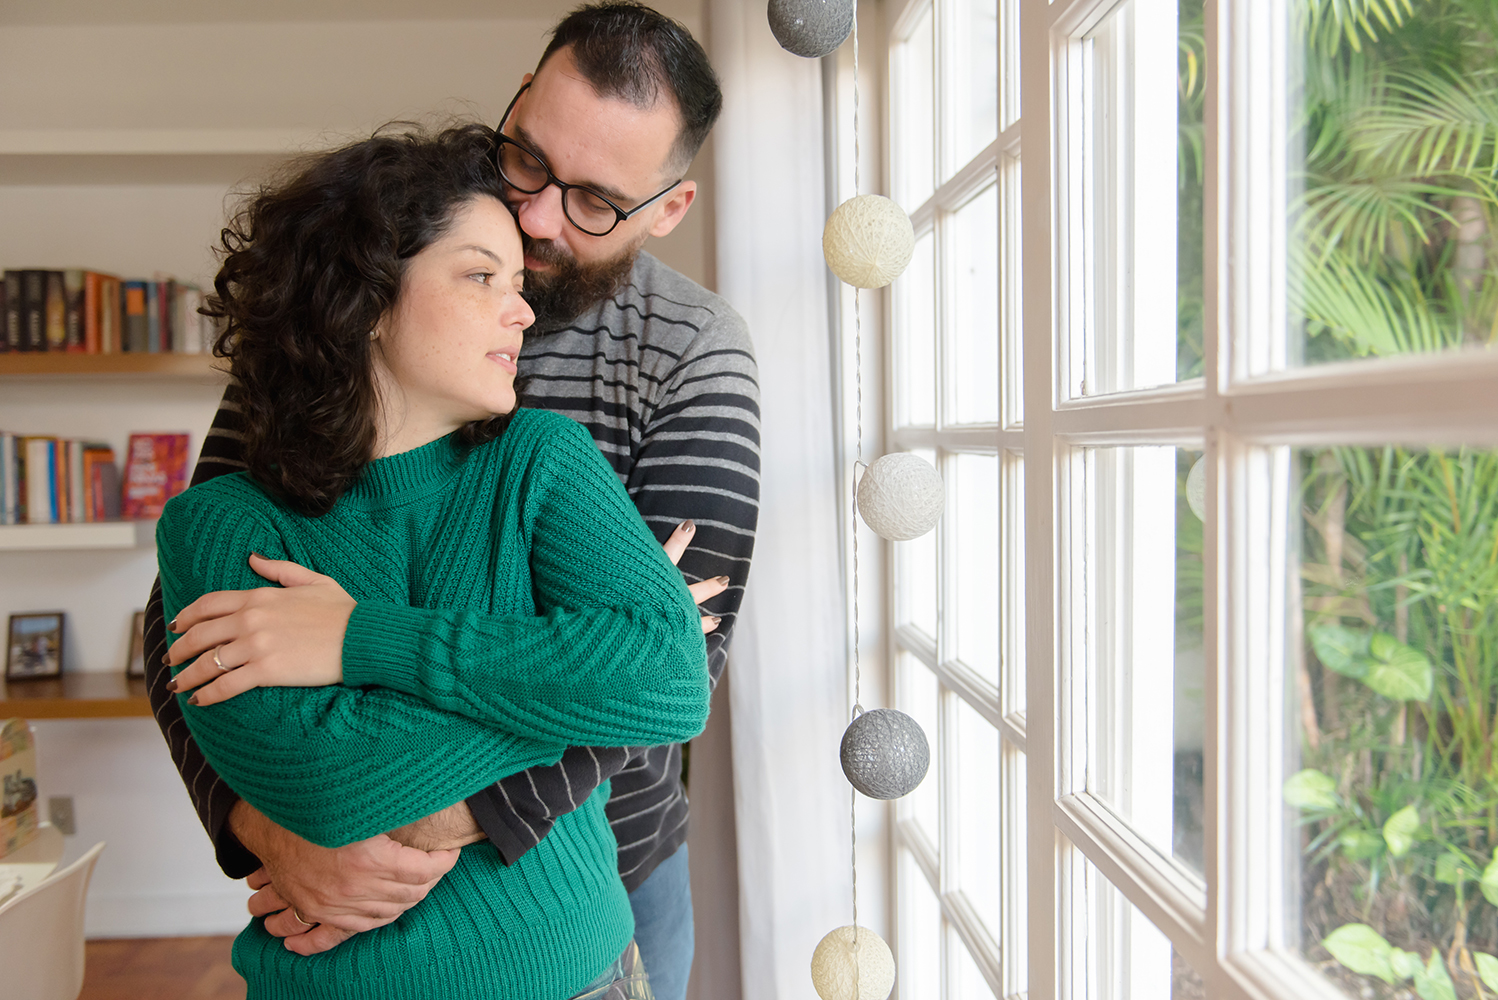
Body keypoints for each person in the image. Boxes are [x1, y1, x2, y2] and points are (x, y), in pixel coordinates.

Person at [143, 6, 758, 999]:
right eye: (528, 160)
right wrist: (263, 823)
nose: (541, 216)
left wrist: (394, 781)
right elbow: (203, 623)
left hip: (593, 875)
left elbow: (657, 685)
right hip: (332, 916)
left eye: (595, 199)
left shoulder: (689, 360)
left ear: (668, 207)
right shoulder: (363, 296)